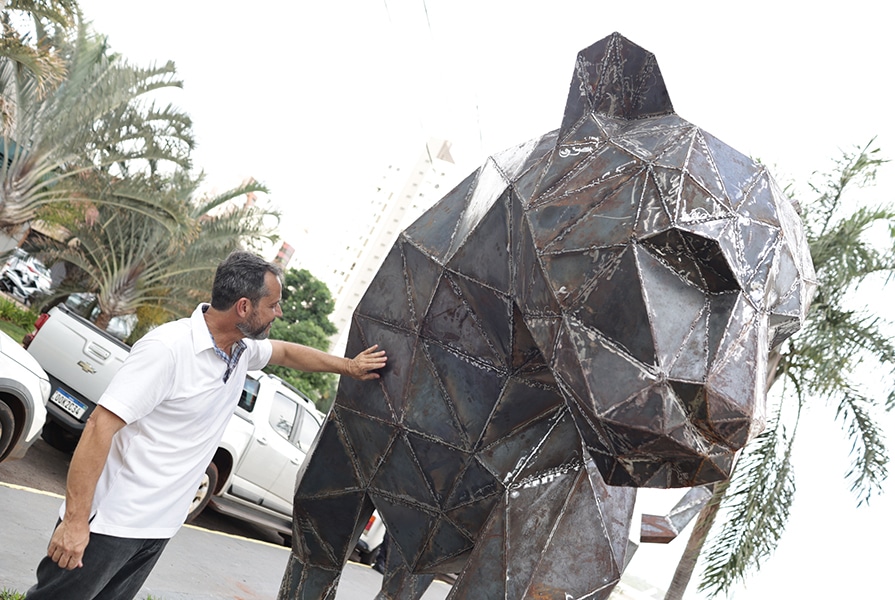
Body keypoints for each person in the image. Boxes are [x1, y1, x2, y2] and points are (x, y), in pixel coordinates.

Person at [25, 251, 387, 600]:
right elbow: (98, 428)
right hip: (108, 526)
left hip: (156, 530)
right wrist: (75, 523)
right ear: (244, 307)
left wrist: (350, 367)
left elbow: (287, 353)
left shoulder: (240, 351)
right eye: (273, 304)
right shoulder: (169, 349)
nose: (278, 312)